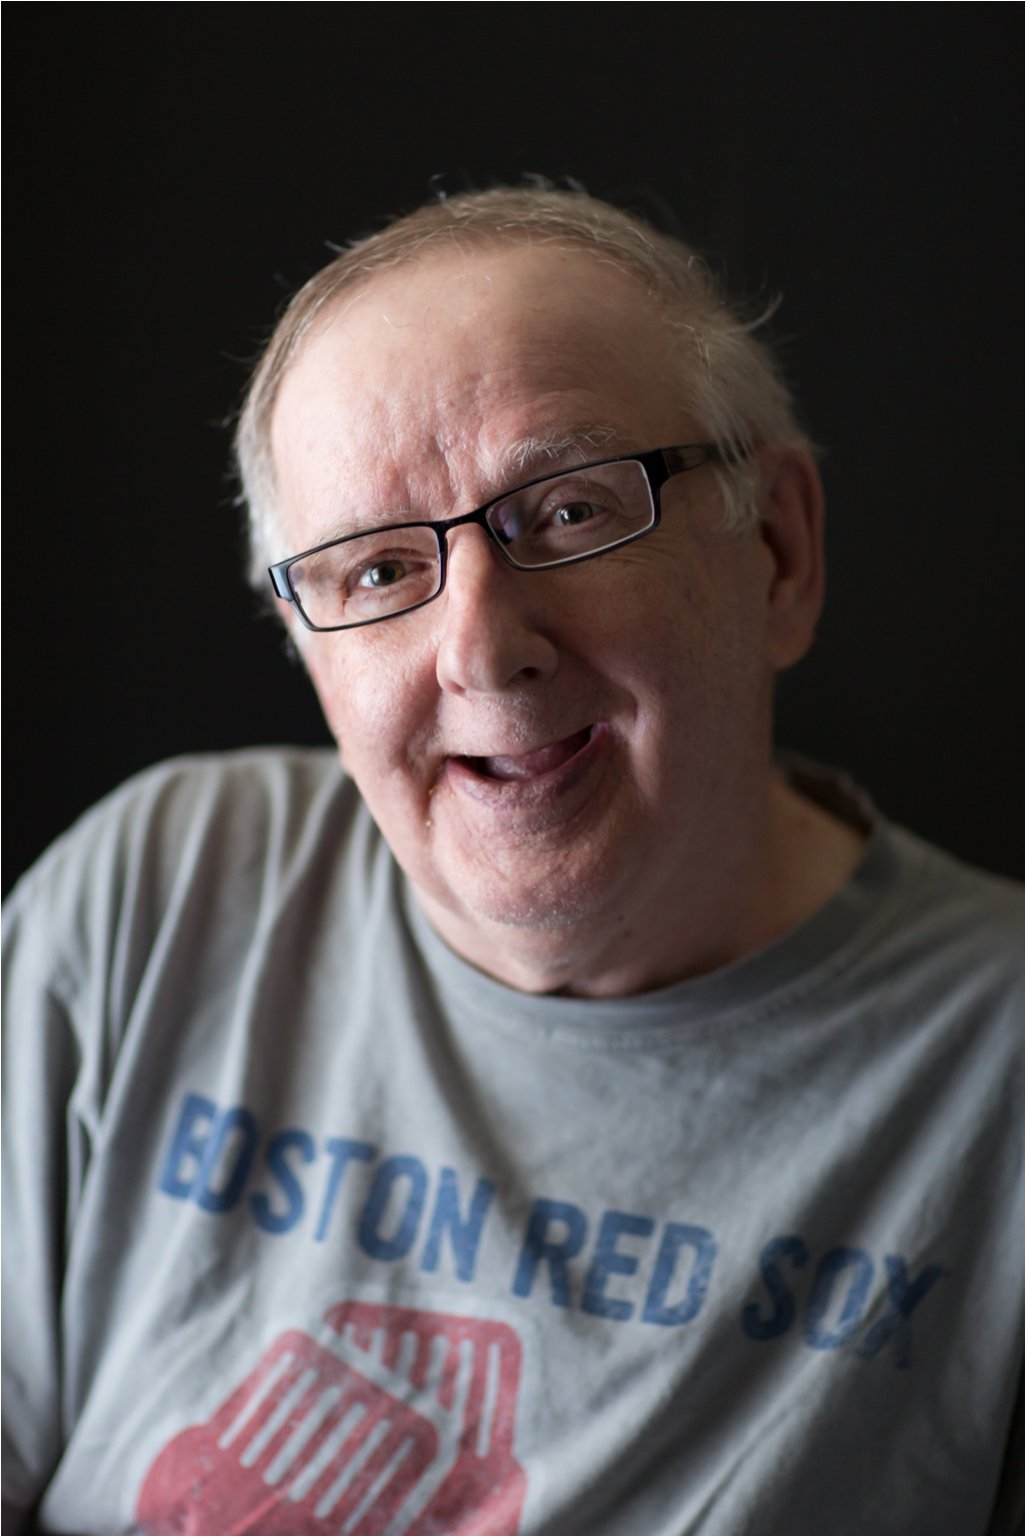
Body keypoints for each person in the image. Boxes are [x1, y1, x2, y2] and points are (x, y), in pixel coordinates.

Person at [2, 186, 1020, 1536]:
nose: (481, 650)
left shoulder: (995, 1076)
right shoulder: (157, 900)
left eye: (570, 510)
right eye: (375, 572)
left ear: (778, 551)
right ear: (306, 648)